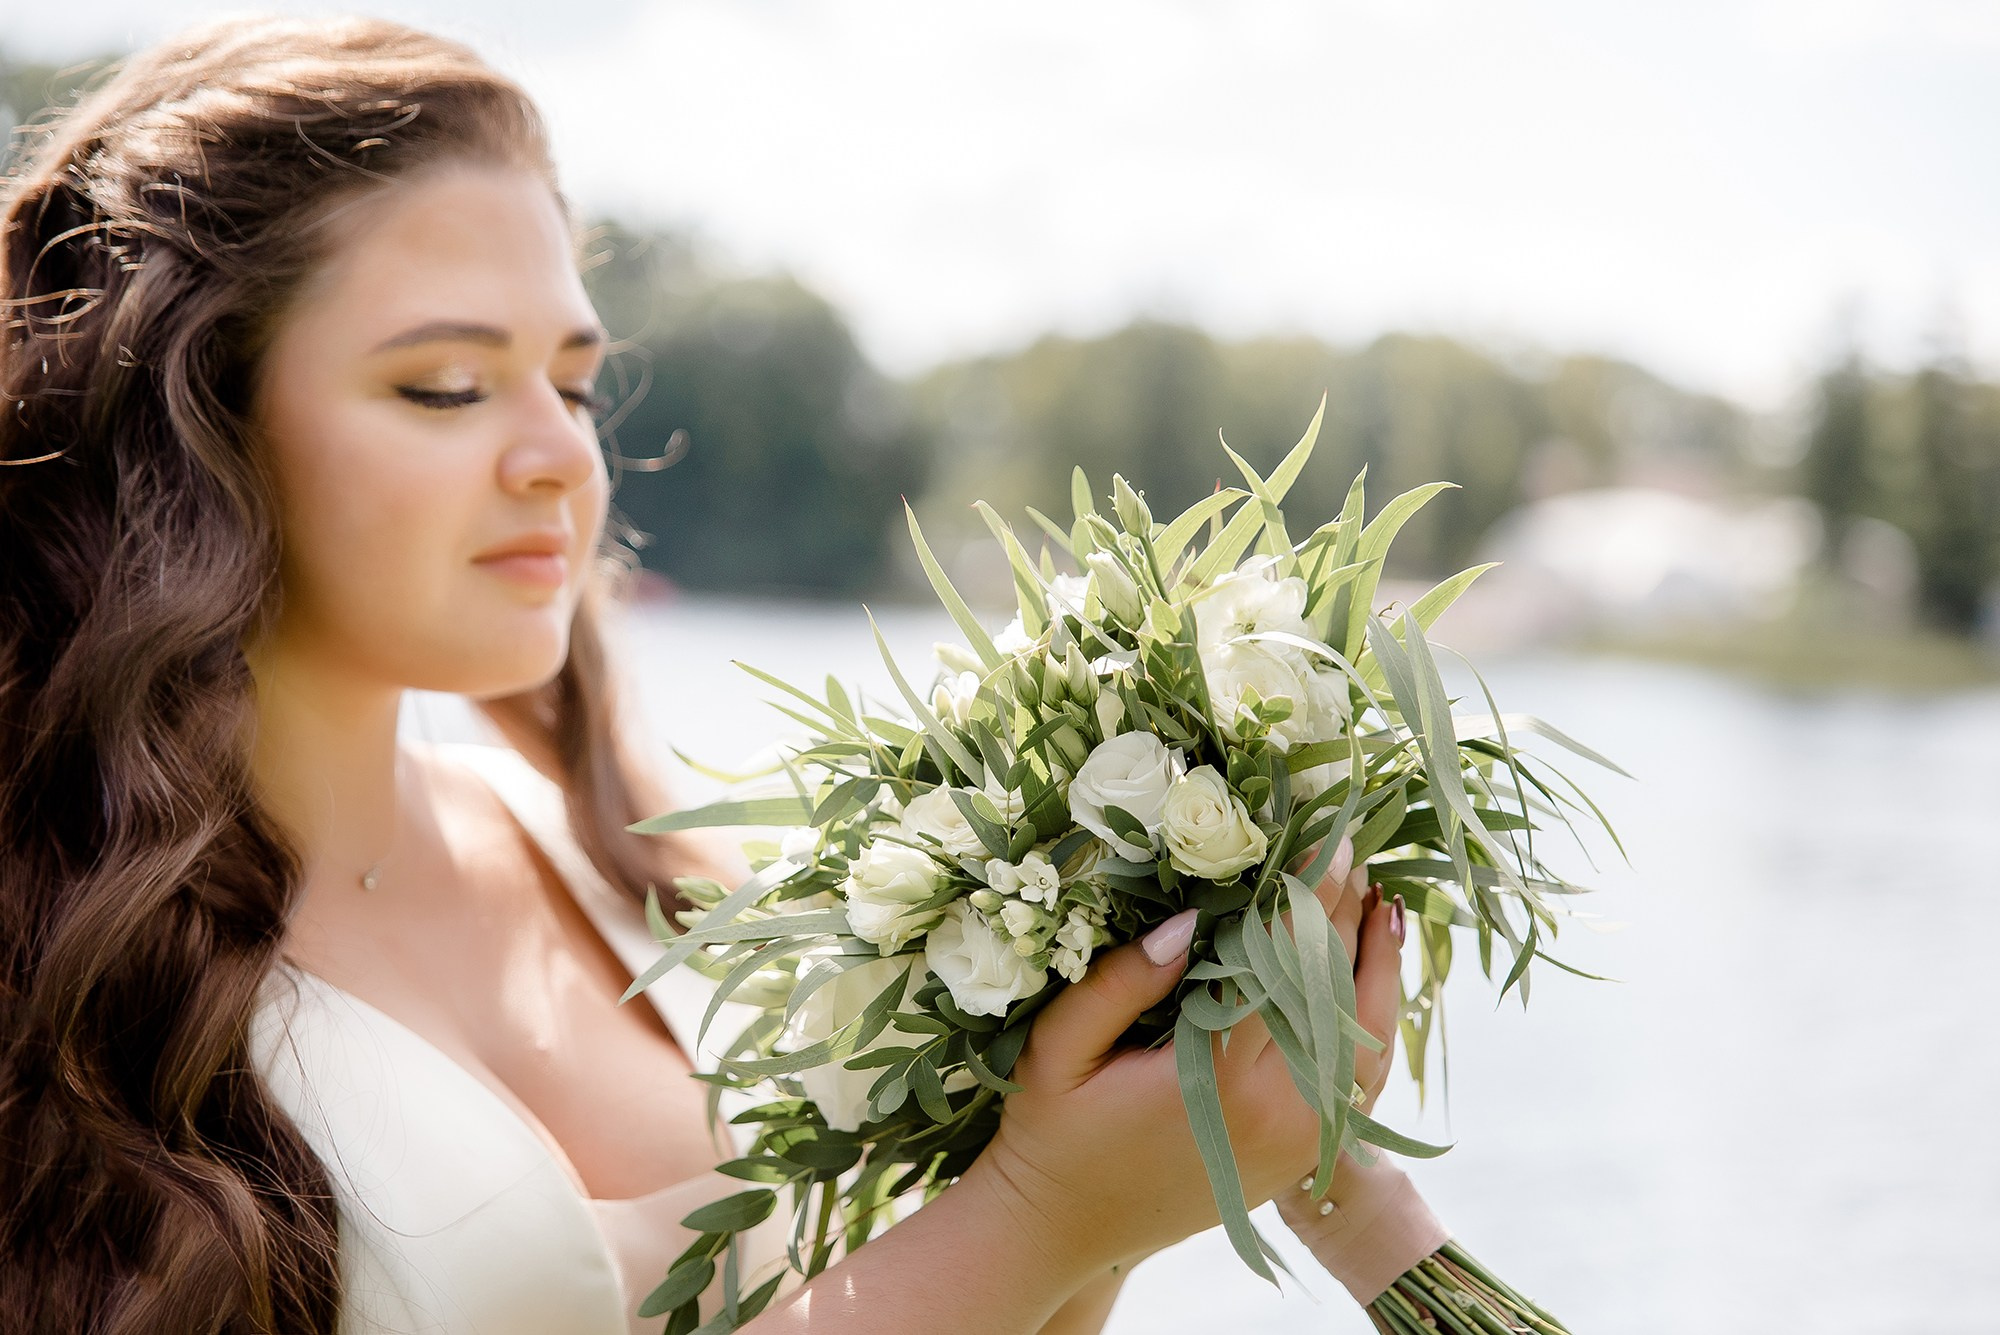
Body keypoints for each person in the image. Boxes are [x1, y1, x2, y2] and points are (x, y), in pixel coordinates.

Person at [0, 15, 1442, 1334]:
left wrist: (1125, 1153)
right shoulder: (66, 951)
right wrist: (1043, 1212)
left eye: (569, 381)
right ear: (191, 427)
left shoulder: (612, 849)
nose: (561, 454)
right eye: (444, 384)